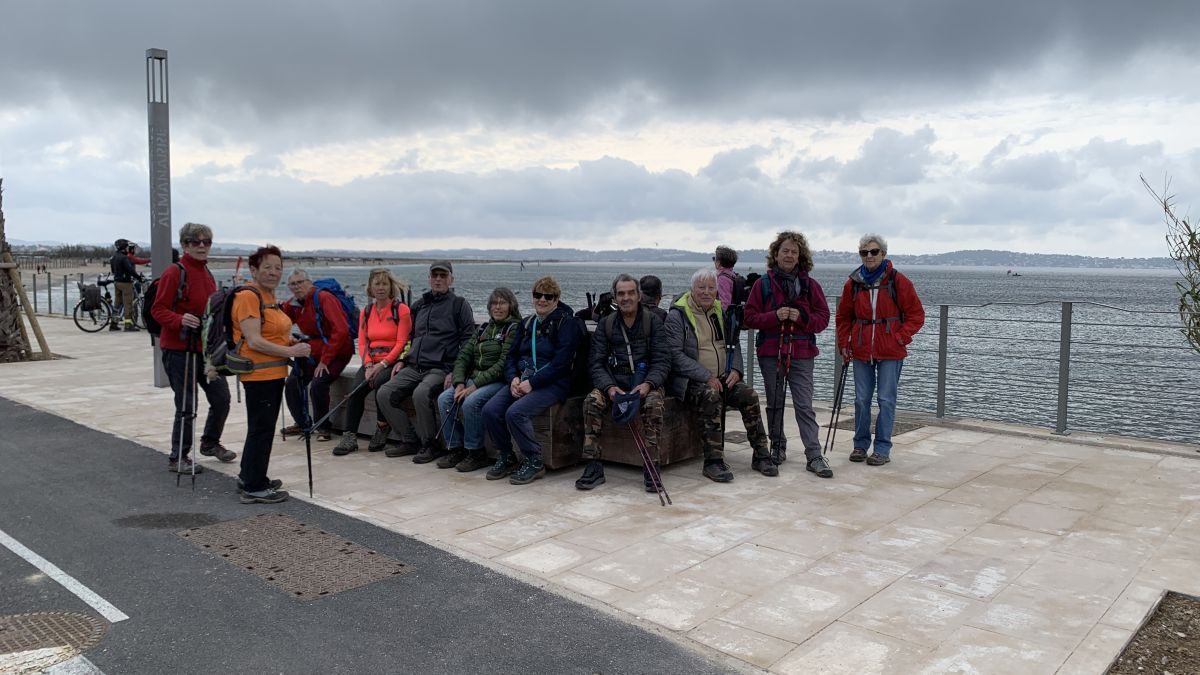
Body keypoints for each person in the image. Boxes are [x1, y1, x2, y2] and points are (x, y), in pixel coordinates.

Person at [665, 268, 772, 481]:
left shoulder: (720, 312)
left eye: (711, 288)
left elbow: (734, 343)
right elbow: (675, 356)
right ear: (692, 289)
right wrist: (705, 376)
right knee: (711, 396)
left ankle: (761, 455)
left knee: (749, 395)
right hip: (692, 381)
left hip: (723, 376)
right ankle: (713, 461)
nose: (706, 292)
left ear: (716, 290)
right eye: (701, 287)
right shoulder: (677, 316)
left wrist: (736, 370)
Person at [744, 231, 833, 478]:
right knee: (774, 403)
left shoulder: (811, 285)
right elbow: (749, 318)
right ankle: (777, 447)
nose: (789, 255)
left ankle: (814, 455)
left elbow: (823, 319)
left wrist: (801, 317)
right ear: (776, 254)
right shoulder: (762, 284)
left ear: (800, 256)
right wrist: (775, 316)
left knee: (804, 405)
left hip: (802, 353)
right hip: (771, 352)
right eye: (785, 250)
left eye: (794, 251)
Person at [150, 222, 236, 473]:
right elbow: (158, 309)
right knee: (187, 405)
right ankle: (178, 457)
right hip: (179, 350)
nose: (201, 246)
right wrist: (179, 319)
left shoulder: (206, 272)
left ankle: (209, 443)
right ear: (185, 245)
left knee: (221, 399)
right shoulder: (174, 273)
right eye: (195, 242)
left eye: (206, 242)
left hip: (205, 351)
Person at [836, 234, 925, 466]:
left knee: (886, 400)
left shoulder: (898, 281)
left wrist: (900, 338)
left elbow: (916, 314)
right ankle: (860, 445)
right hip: (861, 349)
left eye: (874, 252)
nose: (869, 256)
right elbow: (843, 316)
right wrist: (843, 344)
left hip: (890, 350)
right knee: (861, 399)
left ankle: (882, 448)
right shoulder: (853, 283)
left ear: (883, 254)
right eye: (864, 253)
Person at [231, 245, 310, 503]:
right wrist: (293, 352)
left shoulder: (268, 297)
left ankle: (251, 475)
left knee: (261, 427)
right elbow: (254, 341)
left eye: (278, 268)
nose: (274, 272)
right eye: (267, 267)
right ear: (254, 270)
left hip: (271, 374)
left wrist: (288, 342)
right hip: (259, 375)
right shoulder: (249, 297)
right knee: (261, 429)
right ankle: (254, 487)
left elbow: (269, 334)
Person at [482, 276, 581, 485]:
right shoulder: (527, 323)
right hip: (524, 379)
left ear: (556, 299)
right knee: (490, 410)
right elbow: (511, 356)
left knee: (515, 413)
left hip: (553, 383)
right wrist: (513, 379)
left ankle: (534, 459)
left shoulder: (566, 323)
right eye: (538, 295)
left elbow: (561, 363)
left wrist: (532, 383)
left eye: (548, 296)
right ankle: (507, 455)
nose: (542, 300)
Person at [576, 274, 669, 491]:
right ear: (615, 298)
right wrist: (609, 388)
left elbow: (663, 360)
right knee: (591, 401)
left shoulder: (653, 321)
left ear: (638, 295)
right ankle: (593, 464)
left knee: (654, 405)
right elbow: (596, 363)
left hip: (646, 383)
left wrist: (648, 385)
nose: (626, 298)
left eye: (630, 293)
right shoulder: (607, 324)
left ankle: (651, 465)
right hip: (614, 382)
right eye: (621, 293)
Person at [376, 261, 475, 463]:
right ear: (429, 278)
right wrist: (403, 359)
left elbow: (468, 341)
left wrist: (456, 372)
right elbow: (409, 337)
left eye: (443, 276)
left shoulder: (459, 305)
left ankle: (430, 444)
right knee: (384, 393)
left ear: (451, 279)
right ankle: (410, 440)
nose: (438, 279)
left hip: (441, 367)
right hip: (414, 365)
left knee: (421, 394)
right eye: (434, 275)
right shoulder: (419, 305)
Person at [435, 287, 521, 472]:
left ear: (511, 306)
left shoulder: (513, 328)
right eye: (494, 303)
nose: (498, 307)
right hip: (472, 379)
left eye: (502, 303)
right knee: (444, 399)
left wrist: (474, 386)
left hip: (497, 381)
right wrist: (459, 383)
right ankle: (455, 448)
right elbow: (464, 356)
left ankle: (476, 452)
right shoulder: (483, 328)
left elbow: (503, 364)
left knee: (471, 403)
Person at [332, 268, 411, 456]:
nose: (381, 288)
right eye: (377, 284)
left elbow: (402, 342)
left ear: (391, 286)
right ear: (371, 287)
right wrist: (368, 365)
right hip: (371, 360)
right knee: (356, 391)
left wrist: (382, 365)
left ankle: (382, 427)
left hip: (391, 361)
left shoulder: (401, 310)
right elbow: (363, 341)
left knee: (380, 383)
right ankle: (349, 436)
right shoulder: (366, 312)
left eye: (384, 284)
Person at [279, 269, 353, 442]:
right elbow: (280, 324)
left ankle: (323, 427)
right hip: (313, 351)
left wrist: (325, 360)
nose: (297, 287)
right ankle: (302, 423)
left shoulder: (324, 298)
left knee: (318, 384)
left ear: (309, 283)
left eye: (300, 282)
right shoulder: (294, 304)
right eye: (293, 284)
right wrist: (288, 341)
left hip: (338, 351)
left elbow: (341, 331)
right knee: (292, 383)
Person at [109, 239, 139, 331]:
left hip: (116, 282)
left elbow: (113, 270)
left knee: (117, 304)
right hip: (126, 283)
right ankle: (128, 325)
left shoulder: (113, 257)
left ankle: (113, 324)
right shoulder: (124, 258)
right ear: (123, 248)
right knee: (128, 304)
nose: (127, 249)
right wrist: (139, 278)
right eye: (126, 247)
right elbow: (130, 270)